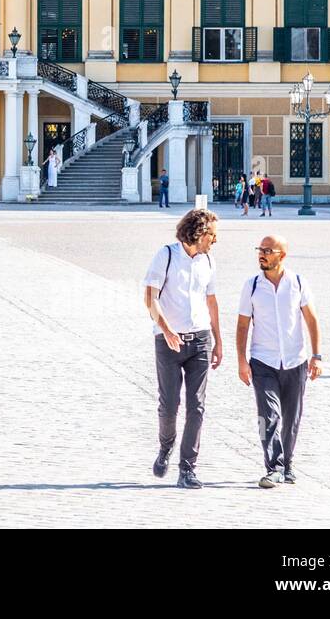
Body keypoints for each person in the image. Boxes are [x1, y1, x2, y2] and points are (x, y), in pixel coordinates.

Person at [142, 208, 223, 489]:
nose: (216, 240)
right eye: (212, 234)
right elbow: (150, 298)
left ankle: (187, 468)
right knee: (169, 405)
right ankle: (166, 446)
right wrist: (166, 329)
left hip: (200, 340)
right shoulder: (165, 255)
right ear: (199, 232)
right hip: (168, 342)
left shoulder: (209, 261)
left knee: (197, 406)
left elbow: (211, 302)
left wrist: (218, 340)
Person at [237, 234, 323, 488]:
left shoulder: (297, 282)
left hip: (295, 361)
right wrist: (242, 361)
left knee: (291, 417)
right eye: (259, 250)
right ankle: (273, 466)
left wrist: (316, 356)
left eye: (267, 250)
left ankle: (288, 464)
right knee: (268, 415)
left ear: (282, 255)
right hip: (263, 362)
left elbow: (311, 320)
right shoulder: (251, 286)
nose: (261, 254)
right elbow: (243, 325)